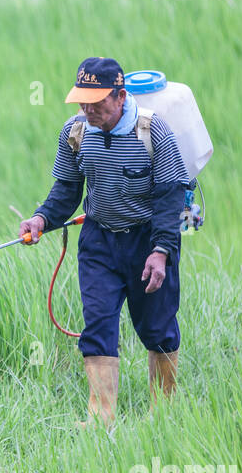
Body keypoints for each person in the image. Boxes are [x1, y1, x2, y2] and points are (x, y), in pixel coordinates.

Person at [20, 57, 189, 427]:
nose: (87, 109)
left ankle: (163, 414)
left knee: (157, 328)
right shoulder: (75, 132)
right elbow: (66, 190)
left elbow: (171, 196)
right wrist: (41, 218)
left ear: (121, 95)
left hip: (148, 239)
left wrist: (161, 252)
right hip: (99, 242)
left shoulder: (152, 132)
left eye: (96, 102)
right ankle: (101, 420)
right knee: (97, 326)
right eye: (82, 100)